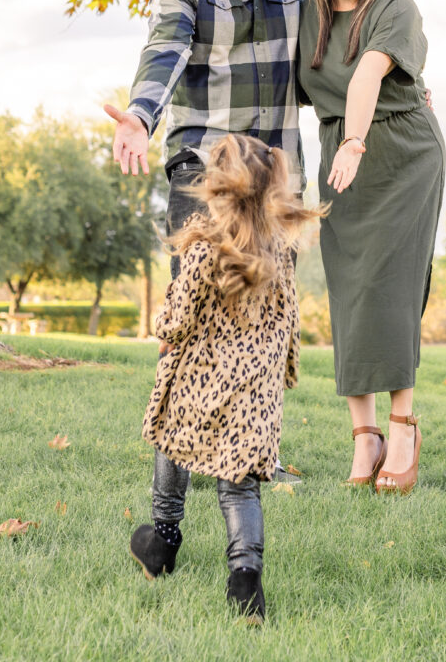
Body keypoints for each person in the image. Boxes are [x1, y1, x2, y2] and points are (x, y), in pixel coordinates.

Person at [104, 0, 308, 482]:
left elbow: (339, 47)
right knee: (193, 317)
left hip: (272, 179)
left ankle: (254, 457)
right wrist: (140, 116)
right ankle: (177, 466)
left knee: (264, 323)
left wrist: (403, 82)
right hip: (203, 170)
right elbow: (164, 47)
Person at [129, 135, 324, 623]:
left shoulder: (203, 250)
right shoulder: (278, 253)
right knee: (239, 487)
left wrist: (165, 333)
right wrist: (284, 371)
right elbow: (289, 319)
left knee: (174, 447)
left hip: (198, 378)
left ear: (218, 191)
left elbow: (176, 319)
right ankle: (245, 584)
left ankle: (162, 542)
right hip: (254, 393)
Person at [297, 0, 445, 494]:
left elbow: (366, 76)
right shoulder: (306, 14)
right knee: (351, 290)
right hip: (342, 157)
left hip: (400, 154)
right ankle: (365, 437)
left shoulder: (394, 7)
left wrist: (355, 141)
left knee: (391, 288)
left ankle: (404, 427)